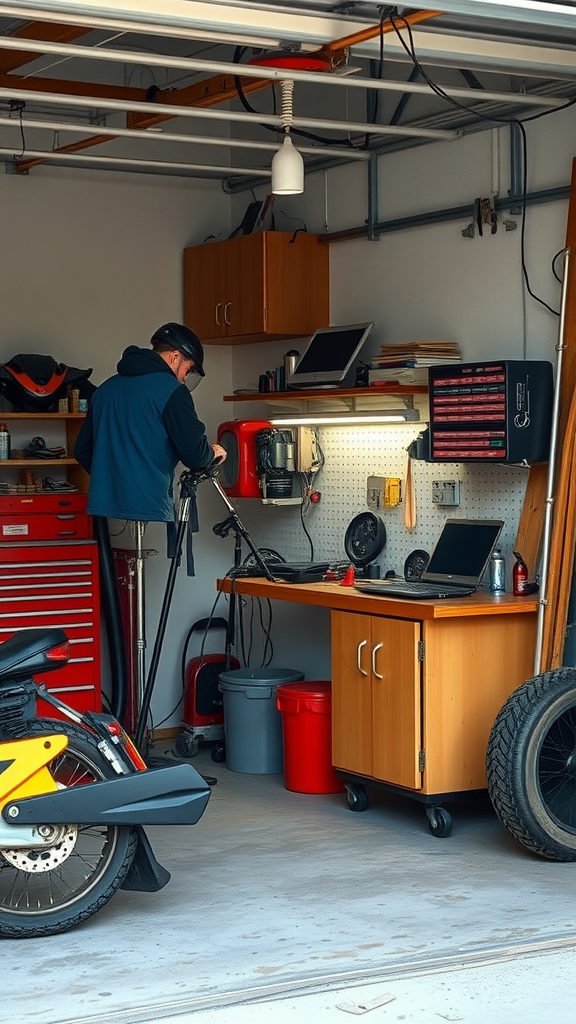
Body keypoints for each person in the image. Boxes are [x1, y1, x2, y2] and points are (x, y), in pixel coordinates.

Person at [74, 322, 226, 522]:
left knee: (116, 554)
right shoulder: (172, 390)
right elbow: (195, 455)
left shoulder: (104, 390)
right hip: (148, 501)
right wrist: (213, 452)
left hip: (105, 501)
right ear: (175, 356)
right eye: (188, 370)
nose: (184, 378)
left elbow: (82, 449)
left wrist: (111, 479)